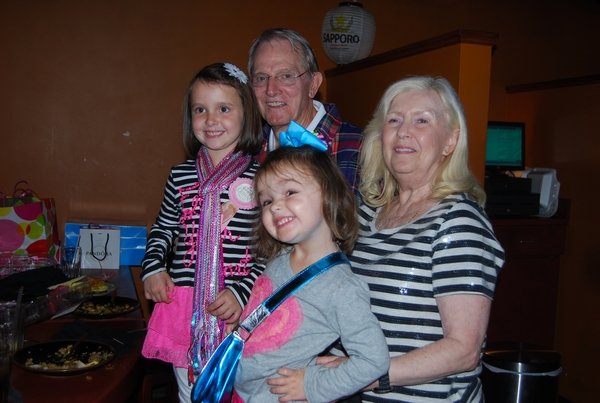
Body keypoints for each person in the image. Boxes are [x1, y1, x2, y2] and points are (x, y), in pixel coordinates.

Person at [339, 76, 506, 401]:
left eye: (421, 121)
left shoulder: (457, 221)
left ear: (450, 141)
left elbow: (463, 350)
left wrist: (361, 375)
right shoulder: (367, 215)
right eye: (394, 120)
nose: (403, 131)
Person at [140, 62, 264, 402]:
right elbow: (163, 228)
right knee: (192, 393)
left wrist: (242, 291)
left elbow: (272, 251)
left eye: (224, 108)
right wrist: (153, 268)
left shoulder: (264, 179)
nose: (211, 120)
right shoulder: (179, 176)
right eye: (200, 110)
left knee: (247, 393)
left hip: (239, 307)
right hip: (183, 306)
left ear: (247, 114)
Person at [233, 143, 390, 402]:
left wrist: (311, 385)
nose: (274, 206)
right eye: (267, 201)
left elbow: (374, 360)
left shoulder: (341, 288)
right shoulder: (278, 261)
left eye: (290, 192)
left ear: (329, 195)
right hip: (240, 390)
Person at [247, 28, 362, 192]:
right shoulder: (247, 152)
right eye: (261, 78)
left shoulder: (361, 149)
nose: (270, 90)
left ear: (313, 85)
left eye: (286, 76)